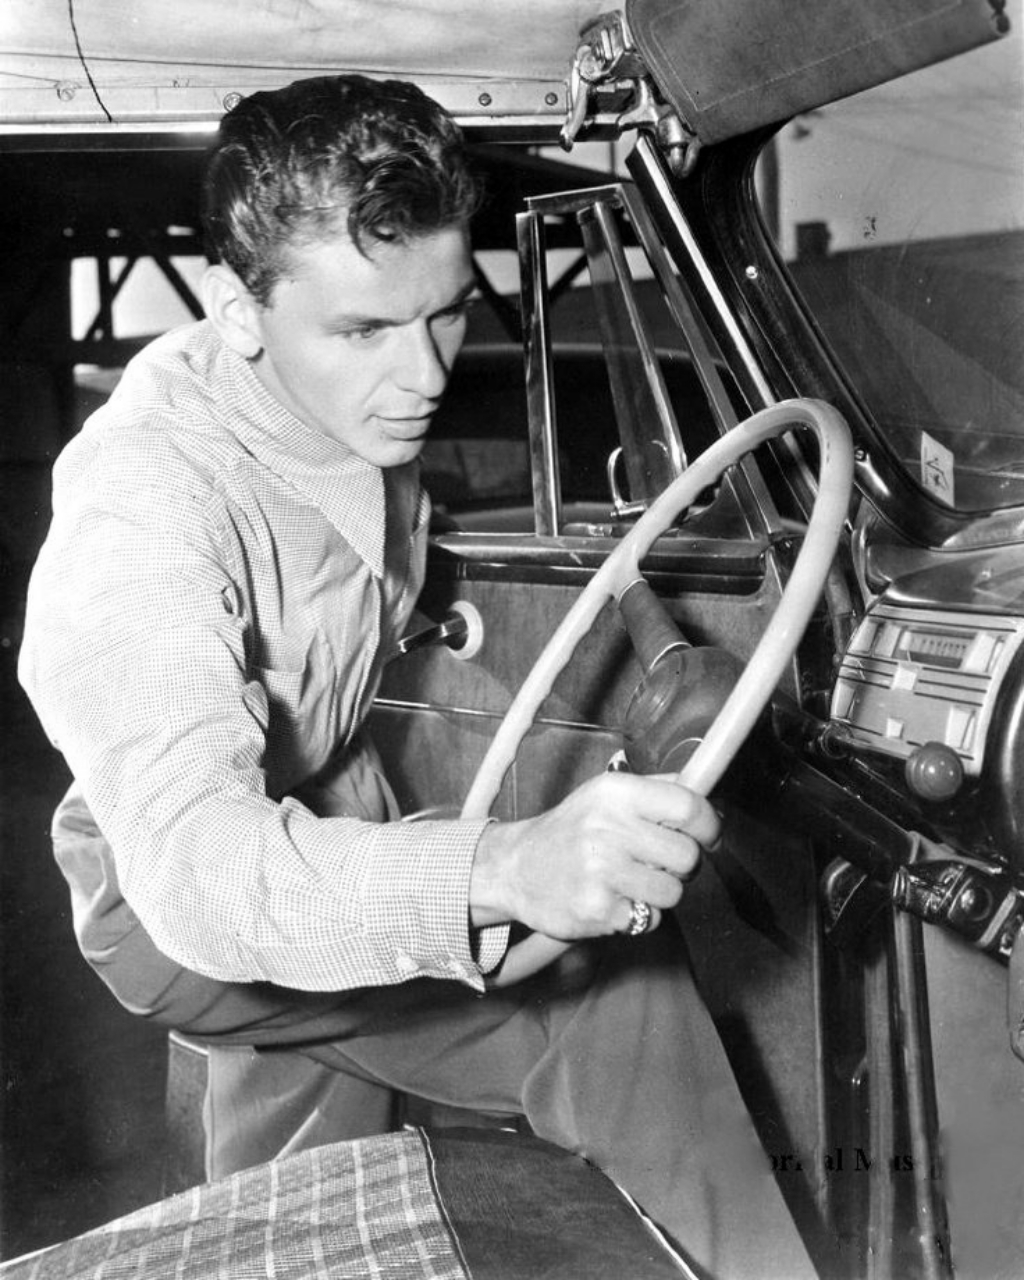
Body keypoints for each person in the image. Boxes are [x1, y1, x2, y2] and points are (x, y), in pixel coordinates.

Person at [19, 75, 815, 1278]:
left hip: (326, 809)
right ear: (242, 312)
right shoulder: (142, 509)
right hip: (179, 888)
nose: (427, 372)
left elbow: (363, 567)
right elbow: (198, 868)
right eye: (364, 330)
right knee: (608, 995)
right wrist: (502, 864)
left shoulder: (345, 408)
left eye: (442, 313)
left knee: (299, 1196)